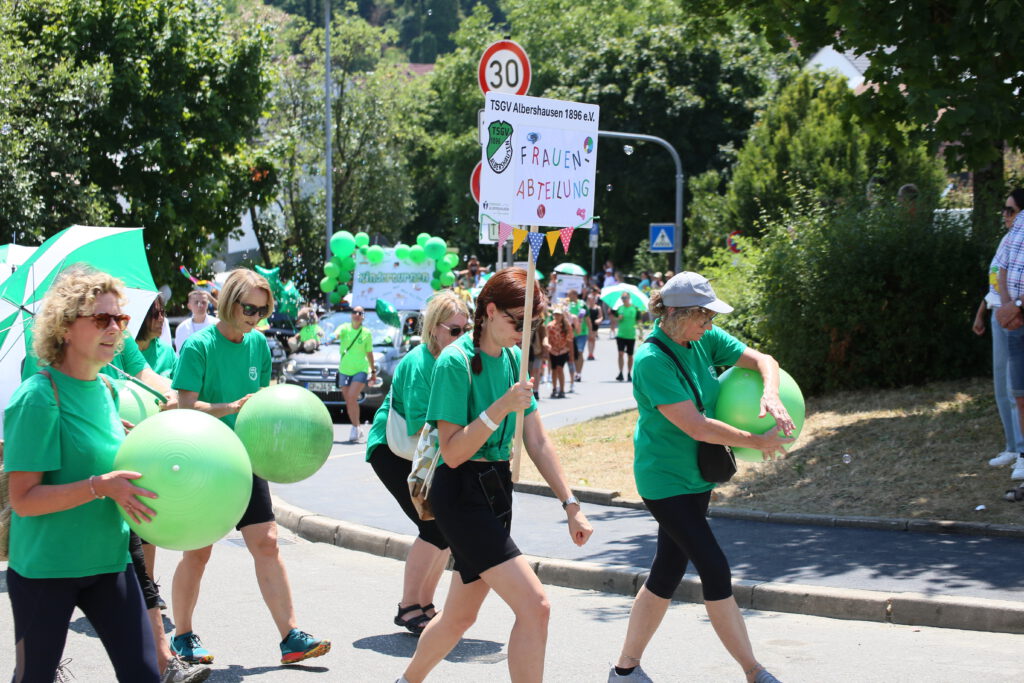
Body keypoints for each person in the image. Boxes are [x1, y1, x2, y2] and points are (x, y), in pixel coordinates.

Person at [397, 268, 593, 683]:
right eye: (518, 321)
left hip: (497, 488)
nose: (525, 332)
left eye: (532, 323)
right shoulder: (454, 362)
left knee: (459, 616)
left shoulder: (513, 360)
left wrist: (571, 504)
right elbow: (452, 453)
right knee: (536, 606)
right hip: (460, 492)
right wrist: (501, 406)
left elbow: (537, 440)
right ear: (489, 310)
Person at [608, 271, 792, 683]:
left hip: (697, 477)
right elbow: (697, 426)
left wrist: (770, 391)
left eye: (711, 318)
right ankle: (754, 672)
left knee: (666, 572)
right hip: (664, 482)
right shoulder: (651, 360)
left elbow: (765, 360)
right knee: (714, 567)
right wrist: (757, 441)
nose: (709, 325)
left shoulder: (703, 338)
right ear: (677, 315)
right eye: (704, 317)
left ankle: (624, 670)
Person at [4, 265, 161, 682]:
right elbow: (24, 500)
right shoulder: (38, 397)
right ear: (65, 327)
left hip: (109, 561)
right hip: (45, 571)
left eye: (120, 319)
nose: (115, 329)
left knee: (144, 676)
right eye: (102, 318)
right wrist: (99, 487)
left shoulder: (108, 390)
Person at [169, 268, 330, 666]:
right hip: (207, 459)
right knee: (198, 553)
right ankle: (182, 636)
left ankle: (291, 637)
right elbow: (184, 406)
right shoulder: (198, 346)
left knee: (268, 542)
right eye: (249, 309)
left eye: (263, 311)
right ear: (229, 302)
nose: (256, 318)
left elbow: (262, 402)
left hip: (247, 457)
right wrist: (230, 407)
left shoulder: (258, 343)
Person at [365, 291, 469, 635]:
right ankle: (409, 606)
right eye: (455, 331)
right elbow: (422, 426)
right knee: (434, 528)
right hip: (391, 450)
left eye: (466, 330)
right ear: (434, 328)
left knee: (443, 530)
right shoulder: (419, 362)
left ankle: (424, 604)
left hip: (427, 452)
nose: (462, 337)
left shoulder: (452, 359)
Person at [974, 188, 1024, 472]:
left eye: (1011, 210)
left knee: (1016, 387)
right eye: (1004, 210)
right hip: (999, 314)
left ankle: (1022, 452)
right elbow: (996, 281)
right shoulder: (1007, 240)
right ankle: (1012, 446)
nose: (1005, 215)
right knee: (1001, 385)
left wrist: (1011, 308)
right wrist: (982, 312)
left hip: (1014, 316)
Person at [333, 305, 377, 442]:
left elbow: (369, 353)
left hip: (361, 370)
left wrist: (373, 371)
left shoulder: (366, 333)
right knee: (349, 400)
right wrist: (330, 337)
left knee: (352, 397)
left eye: (360, 313)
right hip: (344, 370)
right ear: (351, 315)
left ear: (363, 317)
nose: (357, 315)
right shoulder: (344, 328)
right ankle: (356, 426)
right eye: (354, 312)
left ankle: (355, 428)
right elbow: (336, 334)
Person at [137, 295, 177, 378]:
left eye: (162, 313)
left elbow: (181, 383)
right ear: (141, 316)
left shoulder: (167, 351)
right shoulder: (122, 353)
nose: (161, 319)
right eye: (155, 314)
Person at [545, 305, 573, 398]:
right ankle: (554, 388)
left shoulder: (566, 326)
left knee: (560, 368)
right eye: (555, 314)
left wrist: (570, 352)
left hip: (563, 350)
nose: (557, 316)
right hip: (553, 351)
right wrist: (548, 346)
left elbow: (570, 339)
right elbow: (547, 337)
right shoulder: (550, 326)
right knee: (554, 370)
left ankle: (562, 390)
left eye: (559, 314)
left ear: (562, 316)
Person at [612, 291, 640, 382]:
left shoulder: (635, 308)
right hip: (621, 335)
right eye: (622, 298)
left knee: (630, 356)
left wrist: (640, 333)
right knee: (620, 354)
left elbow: (639, 321)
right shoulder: (619, 309)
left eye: (625, 298)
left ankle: (629, 373)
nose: (624, 299)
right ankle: (620, 373)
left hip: (631, 336)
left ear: (629, 298)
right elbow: (613, 320)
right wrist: (618, 318)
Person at [567, 289, 588, 382]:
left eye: (570, 295)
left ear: (575, 295)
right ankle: (576, 372)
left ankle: (579, 373)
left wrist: (591, 330)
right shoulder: (567, 305)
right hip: (571, 333)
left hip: (582, 332)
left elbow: (587, 317)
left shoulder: (582, 304)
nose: (568, 297)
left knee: (580, 352)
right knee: (574, 354)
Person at [586, 288, 603, 360]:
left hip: (595, 324)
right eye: (590, 299)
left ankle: (592, 353)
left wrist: (599, 320)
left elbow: (601, 317)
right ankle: (589, 353)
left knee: (593, 339)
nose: (592, 300)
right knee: (589, 338)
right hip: (588, 324)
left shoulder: (598, 308)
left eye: (593, 299)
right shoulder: (586, 308)